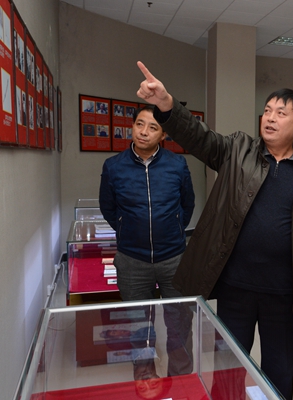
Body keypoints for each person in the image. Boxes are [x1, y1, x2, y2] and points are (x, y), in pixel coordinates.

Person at [135, 60, 293, 400]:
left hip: (284, 294)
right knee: (228, 369)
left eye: (281, 113)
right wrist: (166, 105)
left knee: (279, 371)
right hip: (235, 288)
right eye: (267, 111)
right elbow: (198, 137)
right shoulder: (238, 150)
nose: (270, 118)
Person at [99, 105, 196, 379]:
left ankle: (181, 381)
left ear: (163, 135)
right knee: (138, 326)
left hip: (173, 259)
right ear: (132, 126)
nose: (144, 132)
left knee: (179, 324)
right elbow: (108, 208)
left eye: (153, 127)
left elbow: (187, 204)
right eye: (139, 124)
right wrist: (126, 229)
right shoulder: (114, 166)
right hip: (132, 260)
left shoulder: (177, 164)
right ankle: (145, 382)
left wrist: (174, 228)